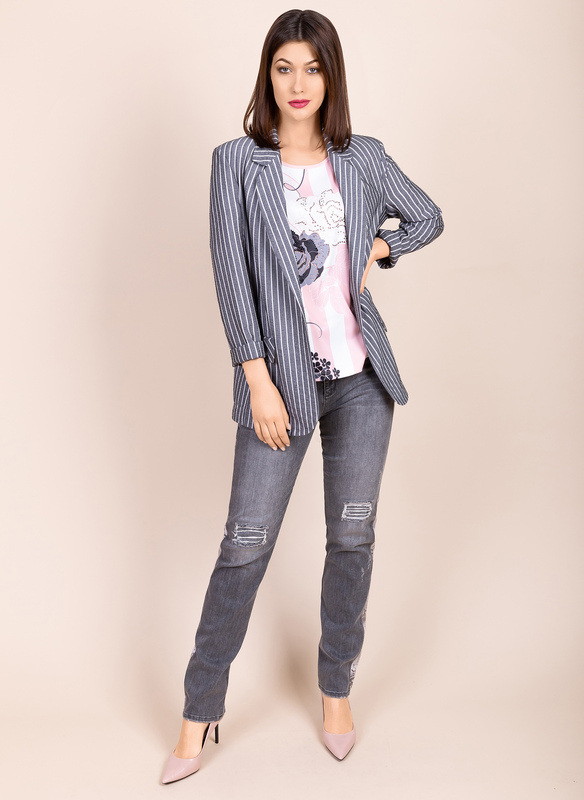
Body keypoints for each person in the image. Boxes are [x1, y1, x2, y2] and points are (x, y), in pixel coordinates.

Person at [161, 8, 443, 784]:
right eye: (284, 67)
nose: (298, 83)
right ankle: (198, 711)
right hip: (278, 387)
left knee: (352, 539)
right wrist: (257, 380)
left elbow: (427, 217)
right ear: (268, 75)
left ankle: (336, 692)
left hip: (361, 384)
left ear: (330, 77)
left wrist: (380, 246)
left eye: (312, 68)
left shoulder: (362, 158)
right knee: (245, 545)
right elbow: (231, 278)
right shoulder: (236, 163)